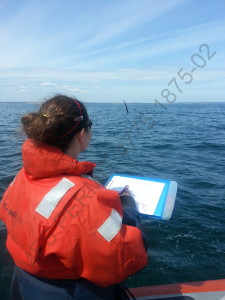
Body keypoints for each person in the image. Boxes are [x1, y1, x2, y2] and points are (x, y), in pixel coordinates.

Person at [0, 94, 148, 300]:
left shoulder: (22, 176)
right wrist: (129, 206)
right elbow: (123, 255)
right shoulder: (85, 195)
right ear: (81, 135)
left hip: (23, 285)